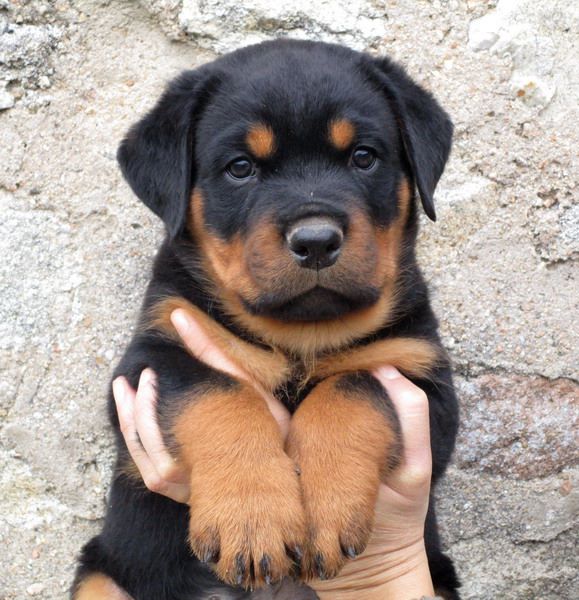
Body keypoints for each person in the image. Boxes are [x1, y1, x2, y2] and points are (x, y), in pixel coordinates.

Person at [113, 309, 439, 600]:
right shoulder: (186, 298)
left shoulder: (397, 316)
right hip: (154, 582)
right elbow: (143, 385)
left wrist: (376, 572)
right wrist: (232, 450)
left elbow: (431, 412)